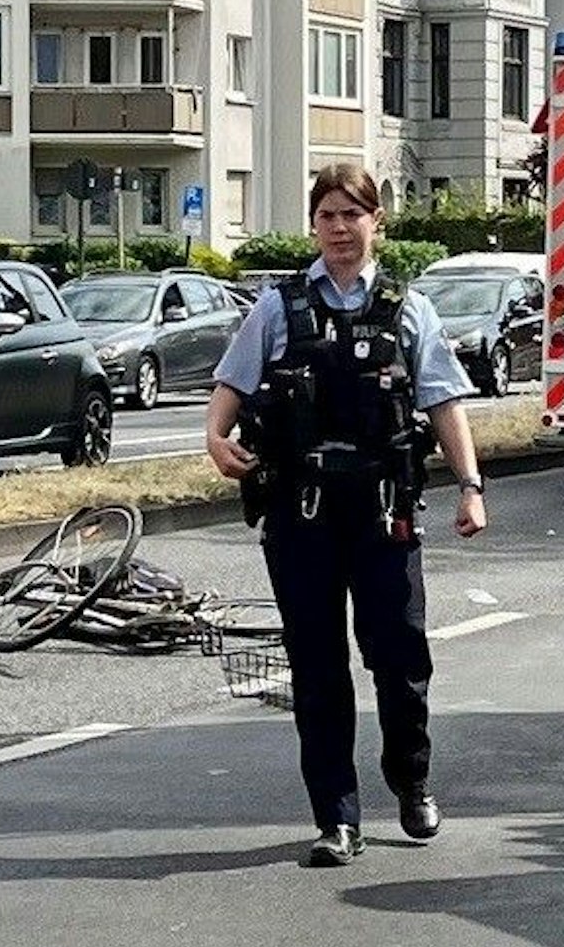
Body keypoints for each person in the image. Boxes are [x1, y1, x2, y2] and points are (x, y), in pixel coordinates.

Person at [203, 163, 488, 868]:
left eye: (351, 215)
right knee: (317, 667)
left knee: (400, 655)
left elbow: (443, 401)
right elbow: (230, 385)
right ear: (313, 225)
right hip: (303, 514)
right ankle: (336, 818)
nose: (339, 228)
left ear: (375, 224)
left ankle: (411, 781)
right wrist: (215, 438)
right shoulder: (278, 307)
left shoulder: (408, 308)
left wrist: (470, 485)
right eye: (327, 215)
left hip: (383, 510)